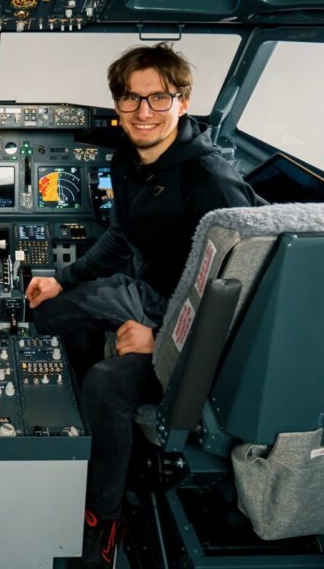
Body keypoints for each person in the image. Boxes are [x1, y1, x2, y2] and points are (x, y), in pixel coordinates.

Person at [25, 44, 255, 568]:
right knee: (49, 313)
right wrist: (62, 280)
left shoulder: (211, 184)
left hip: (196, 329)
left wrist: (162, 340)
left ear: (183, 100)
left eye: (158, 98)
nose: (144, 112)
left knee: (107, 383)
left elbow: (243, 290)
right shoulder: (127, 159)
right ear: (118, 103)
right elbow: (121, 236)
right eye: (132, 98)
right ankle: (92, 430)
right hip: (151, 296)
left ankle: (104, 515)